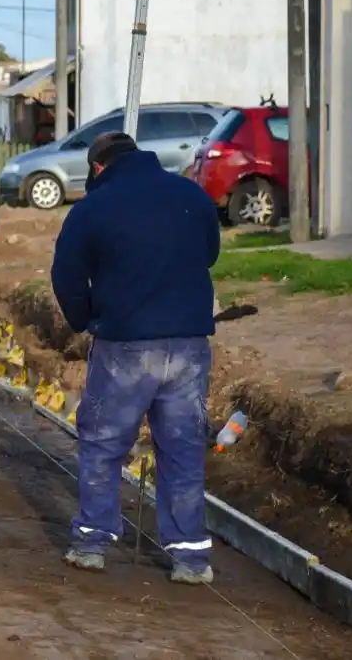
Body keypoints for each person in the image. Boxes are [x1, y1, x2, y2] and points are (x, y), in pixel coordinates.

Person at [50, 131, 221, 586]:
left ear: (98, 167)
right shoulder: (190, 195)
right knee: (182, 449)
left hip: (125, 346)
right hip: (188, 344)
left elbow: (66, 275)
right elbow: (209, 254)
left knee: (104, 443)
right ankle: (191, 559)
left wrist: (85, 318)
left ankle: (92, 542)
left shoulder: (92, 209)